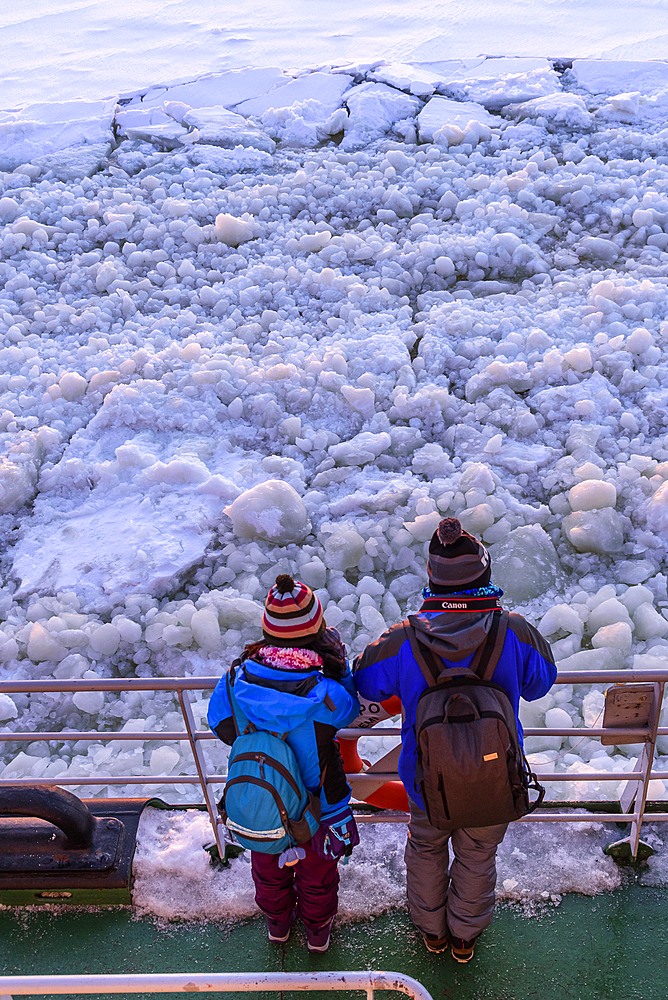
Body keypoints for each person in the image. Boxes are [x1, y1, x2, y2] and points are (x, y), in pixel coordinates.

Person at [353, 517, 556, 963]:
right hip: (495, 774)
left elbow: (364, 680)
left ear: (431, 578)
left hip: (426, 780)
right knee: (479, 853)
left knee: (426, 848)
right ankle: (464, 936)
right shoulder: (514, 630)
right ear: (485, 575)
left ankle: (432, 932)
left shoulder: (404, 638)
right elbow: (542, 682)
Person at [208, 574, 360, 953]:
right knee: (318, 876)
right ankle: (318, 934)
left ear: (267, 629)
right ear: (318, 629)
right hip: (319, 807)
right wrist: (339, 669)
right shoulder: (326, 696)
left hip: (262, 803)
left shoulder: (232, 682)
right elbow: (351, 709)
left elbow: (223, 727)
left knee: (267, 872)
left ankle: (277, 926)